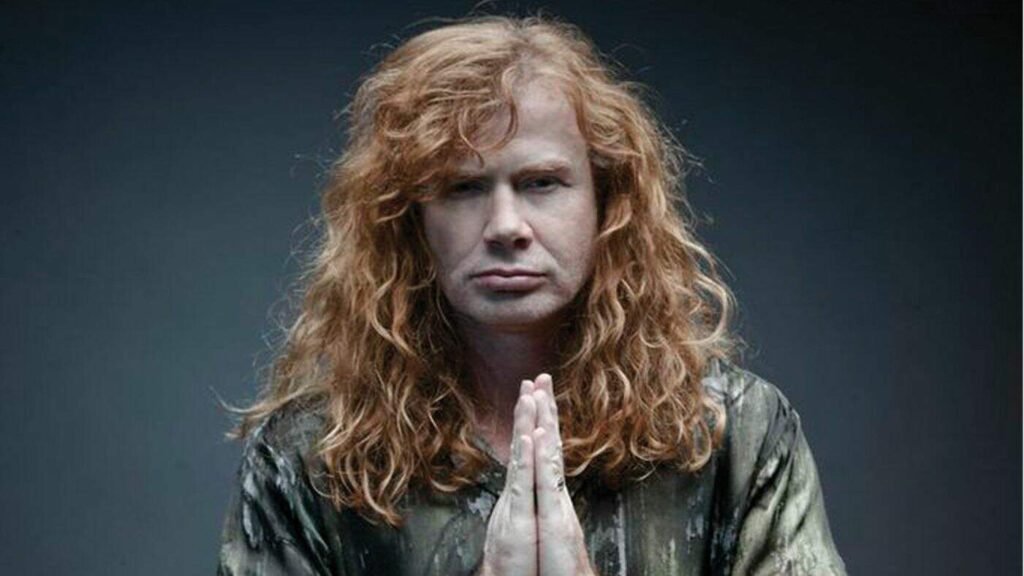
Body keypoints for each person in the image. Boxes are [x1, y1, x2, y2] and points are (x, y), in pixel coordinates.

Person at [216, 14, 846, 576]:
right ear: (410, 221)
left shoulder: (736, 432)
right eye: (462, 188)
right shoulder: (311, 455)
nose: (506, 226)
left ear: (607, 204)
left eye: (542, 182)